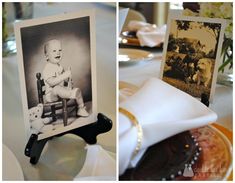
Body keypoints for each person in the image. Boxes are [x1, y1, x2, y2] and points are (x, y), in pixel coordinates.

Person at [42, 39, 89, 117]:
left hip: (61, 92)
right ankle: (70, 94)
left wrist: (68, 80)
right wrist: (64, 75)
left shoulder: (59, 67)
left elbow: (63, 80)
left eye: (60, 50)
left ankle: (81, 108)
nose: (58, 52)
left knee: (77, 91)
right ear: (47, 56)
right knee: (56, 88)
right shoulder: (47, 68)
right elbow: (51, 82)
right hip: (51, 95)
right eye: (54, 51)